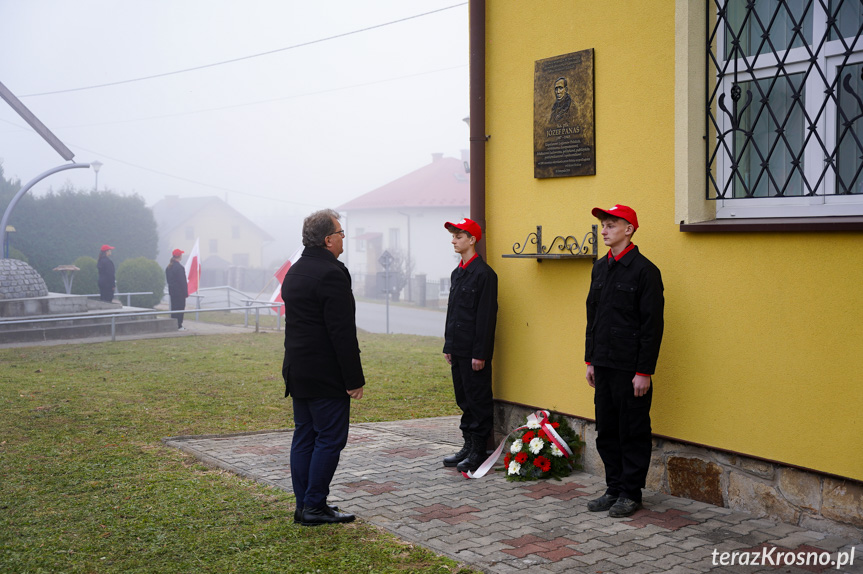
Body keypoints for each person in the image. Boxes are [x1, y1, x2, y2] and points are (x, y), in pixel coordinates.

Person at [282, 208, 364, 527]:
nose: (344, 239)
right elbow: (341, 332)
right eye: (341, 234)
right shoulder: (331, 273)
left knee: (304, 436)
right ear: (329, 240)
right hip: (325, 374)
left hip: (298, 369)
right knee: (329, 439)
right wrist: (353, 378)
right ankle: (314, 505)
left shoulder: (296, 270)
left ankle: (306, 505)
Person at [584, 204, 664, 518]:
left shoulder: (645, 271)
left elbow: (652, 326)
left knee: (632, 431)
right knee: (607, 430)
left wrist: (644, 371)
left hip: (631, 369)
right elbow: (593, 318)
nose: (604, 229)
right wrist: (590, 360)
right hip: (603, 365)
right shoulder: (600, 267)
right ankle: (613, 488)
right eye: (603, 225)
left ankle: (631, 493)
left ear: (629, 229)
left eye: (611, 224)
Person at [441, 218, 498, 473]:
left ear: (472, 239)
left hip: (474, 353)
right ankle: (468, 444)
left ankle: (479, 449)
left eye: (458, 236)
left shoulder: (484, 275)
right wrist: (449, 345)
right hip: (459, 348)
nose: (453, 240)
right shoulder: (458, 273)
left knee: (478, 400)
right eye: (453, 236)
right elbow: (453, 312)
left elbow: (486, 317)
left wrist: (480, 353)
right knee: (464, 398)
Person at [165, 248, 188, 330]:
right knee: (180, 308)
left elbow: (169, 281)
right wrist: (186, 293)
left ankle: (173, 324)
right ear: (179, 256)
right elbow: (183, 282)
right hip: (180, 293)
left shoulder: (168, 268)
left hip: (173, 292)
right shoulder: (180, 268)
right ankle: (179, 325)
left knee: (174, 308)